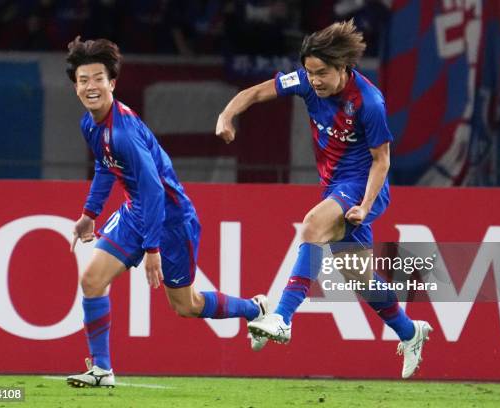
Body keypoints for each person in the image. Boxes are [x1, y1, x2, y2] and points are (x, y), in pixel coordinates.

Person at [215, 20, 432, 379]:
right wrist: (226, 115)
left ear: (344, 67)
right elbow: (252, 94)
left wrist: (363, 205)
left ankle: (282, 317)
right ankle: (411, 332)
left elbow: (382, 161)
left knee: (313, 226)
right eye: (310, 72)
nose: (314, 80)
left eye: (322, 73)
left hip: (363, 187)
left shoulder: (369, 102)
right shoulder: (305, 82)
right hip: (335, 188)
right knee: (358, 277)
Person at [64, 36, 268, 388]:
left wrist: (153, 249)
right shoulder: (91, 124)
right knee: (91, 279)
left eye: (98, 78)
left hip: (171, 220)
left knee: (185, 305)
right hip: (135, 212)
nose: (90, 86)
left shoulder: (124, 132)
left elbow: (155, 190)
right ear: (76, 87)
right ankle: (102, 369)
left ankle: (256, 310)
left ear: (112, 83)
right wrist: (89, 213)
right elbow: (104, 166)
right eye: (83, 80)